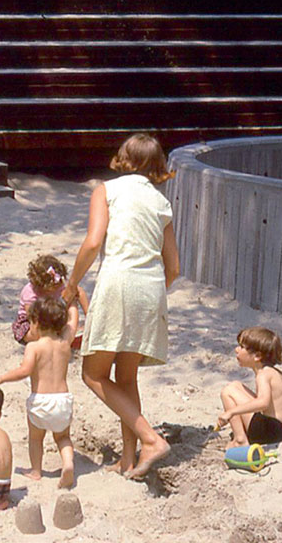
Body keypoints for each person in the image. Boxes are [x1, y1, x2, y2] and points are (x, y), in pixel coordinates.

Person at [64, 133, 178, 479]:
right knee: (126, 378)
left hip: (119, 282)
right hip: (152, 287)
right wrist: (151, 289)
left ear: (123, 158)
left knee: (92, 373)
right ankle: (129, 459)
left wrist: (72, 285)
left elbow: (94, 241)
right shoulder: (161, 203)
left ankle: (150, 439)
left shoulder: (106, 190)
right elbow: (173, 267)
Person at [0, 296, 79, 489]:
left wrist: (3, 378)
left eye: (31, 322)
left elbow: (24, 371)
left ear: (37, 323)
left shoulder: (34, 347)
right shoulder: (65, 341)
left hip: (40, 400)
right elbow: (74, 320)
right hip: (63, 400)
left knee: (36, 438)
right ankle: (68, 464)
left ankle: (36, 471)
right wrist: (73, 299)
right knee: (63, 437)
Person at [217, 327, 282, 448]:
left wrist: (231, 412)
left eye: (242, 347)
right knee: (235, 386)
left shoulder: (263, 375)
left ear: (257, 356)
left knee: (228, 391)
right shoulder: (273, 372)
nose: (236, 350)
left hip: (269, 432)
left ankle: (240, 440)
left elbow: (263, 403)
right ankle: (241, 435)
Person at [12, 255, 89, 346]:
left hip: (55, 316)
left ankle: (70, 334)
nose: (58, 286)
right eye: (54, 286)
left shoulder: (60, 284)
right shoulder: (30, 292)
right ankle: (55, 338)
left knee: (72, 295)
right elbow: (31, 316)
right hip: (35, 322)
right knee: (35, 333)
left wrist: (88, 315)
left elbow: (79, 291)